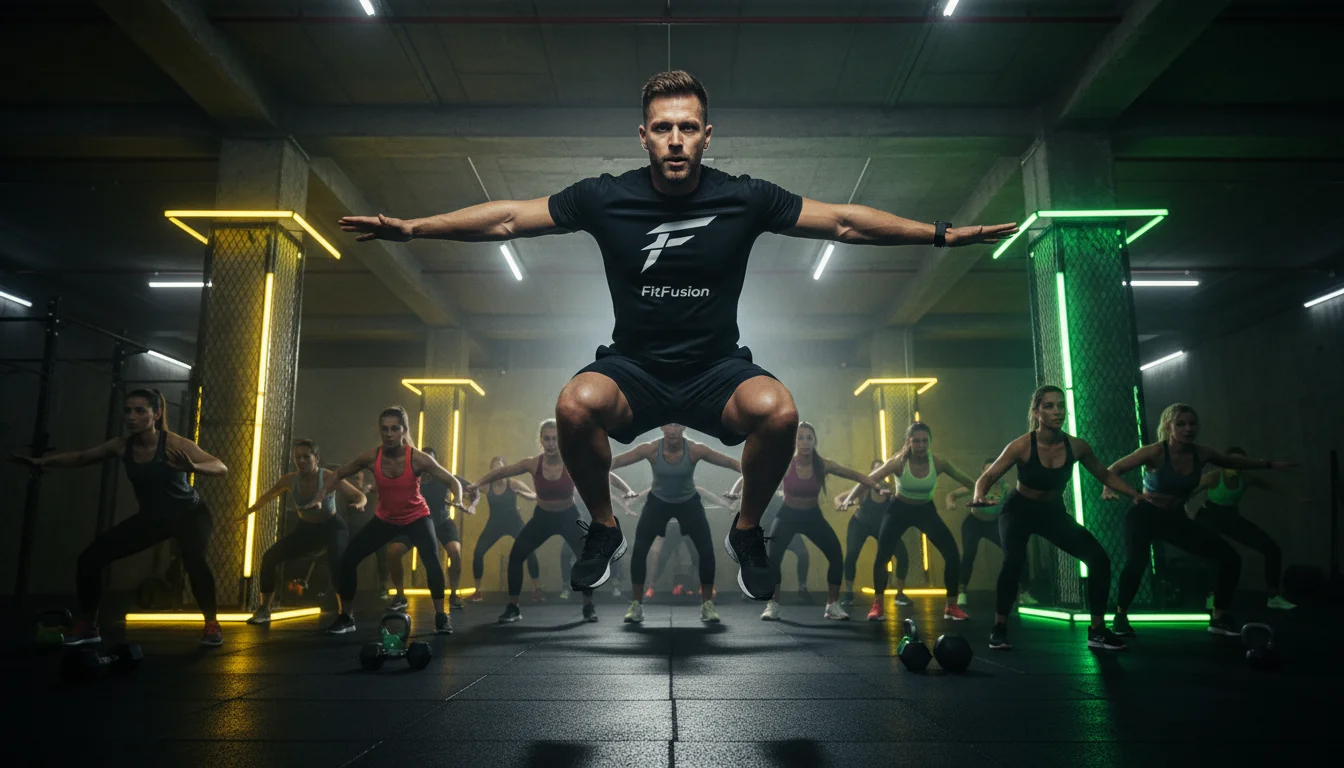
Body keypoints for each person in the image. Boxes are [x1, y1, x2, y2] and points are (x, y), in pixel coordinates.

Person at [338, 70, 1016, 602]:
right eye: (662, 128)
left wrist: (942, 234)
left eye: (688, 128)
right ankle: (602, 526)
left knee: (780, 412)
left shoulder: (745, 197)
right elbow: (511, 218)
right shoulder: (606, 197)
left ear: (707, 135)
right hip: (633, 371)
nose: (675, 140)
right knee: (572, 404)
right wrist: (414, 228)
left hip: (717, 373)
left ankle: (749, 533)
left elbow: (842, 221)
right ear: (643, 135)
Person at [8, 389, 228, 647]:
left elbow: (220, 466)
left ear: (156, 414)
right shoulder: (122, 446)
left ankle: (212, 624)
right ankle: (89, 626)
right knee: (90, 559)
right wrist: (42, 462)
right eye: (128, 410)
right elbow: (81, 457)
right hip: (152, 519)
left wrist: (194, 467)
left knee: (194, 560)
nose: (131, 416)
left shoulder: (174, 443)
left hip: (189, 514)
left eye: (139, 410)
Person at [1103, 404, 1295, 638]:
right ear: (1168, 426)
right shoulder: (1154, 452)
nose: (1188, 429)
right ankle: (1120, 616)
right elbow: (1115, 469)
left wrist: (1269, 464)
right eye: (1181, 424)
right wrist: (1117, 488)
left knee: (1230, 558)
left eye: (1192, 424)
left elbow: (1231, 461)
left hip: (1174, 518)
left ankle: (1219, 618)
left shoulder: (1202, 453)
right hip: (1145, 515)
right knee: (1136, 563)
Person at [973, 385, 1142, 652]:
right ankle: (1000, 628)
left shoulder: (1077, 446)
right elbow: (988, 477)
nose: (1057, 411)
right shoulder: (1021, 445)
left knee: (1098, 559)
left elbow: (1106, 475)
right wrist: (979, 494)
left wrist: (1135, 493)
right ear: (1037, 411)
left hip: (1052, 513)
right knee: (1013, 562)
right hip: (1018, 510)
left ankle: (1097, 630)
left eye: (1061, 406)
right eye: (1049, 406)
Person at [464, 419, 636, 623]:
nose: (551, 443)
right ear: (541, 441)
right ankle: (513, 607)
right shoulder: (532, 463)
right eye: (547, 439)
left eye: (555, 439)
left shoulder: (573, 461)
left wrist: (627, 490)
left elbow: (604, 473)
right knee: (517, 555)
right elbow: (503, 471)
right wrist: (477, 483)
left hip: (568, 516)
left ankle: (588, 605)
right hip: (543, 517)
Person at [315, 406, 465, 636]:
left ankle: (441, 617)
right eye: (384, 429)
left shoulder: (418, 458)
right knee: (349, 558)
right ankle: (346, 616)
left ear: (404, 431)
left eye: (395, 428)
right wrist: (320, 495)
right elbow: (338, 473)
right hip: (385, 519)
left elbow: (452, 480)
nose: (389, 433)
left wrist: (459, 499)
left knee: (433, 562)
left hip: (417, 517)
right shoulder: (370, 456)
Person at [738, 421, 882, 621]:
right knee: (773, 559)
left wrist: (874, 484)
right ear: (794, 441)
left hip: (812, 516)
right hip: (787, 515)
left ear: (815, 441)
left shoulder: (823, 465)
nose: (804, 442)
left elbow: (853, 474)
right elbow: (754, 471)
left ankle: (832, 605)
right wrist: (737, 491)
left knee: (835, 554)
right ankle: (773, 605)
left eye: (809, 438)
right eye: (800, 437)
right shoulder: (785, 462)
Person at [614, 424, 742, 624]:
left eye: (676, 425)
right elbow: (615, 462)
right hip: (657, 503)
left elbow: (731, 462)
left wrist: (752, 474)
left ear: (683, 427)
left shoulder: (696, 449)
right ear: (661, 427)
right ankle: (636, 604)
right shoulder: (649, 449)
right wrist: (589, 465)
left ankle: (707, 604)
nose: (672, 430)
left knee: (706, 551)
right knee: (640, 549)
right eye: (668, 425)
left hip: (688, 504)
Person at [849, 423, 978, 622]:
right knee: (883, 556)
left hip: (925, 510)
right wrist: (850, 498)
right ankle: (878, 606)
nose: (920, 445)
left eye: (925, 441)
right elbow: (869, 479)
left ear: (930, 442)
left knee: (952, 554)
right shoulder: (898, 462)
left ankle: (951, 606)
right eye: (916, 441)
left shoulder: (939, 463)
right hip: (899, 509)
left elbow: (970, 482)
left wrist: (976, 496)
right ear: (908, 442)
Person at [247, 439, 366, 624]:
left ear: (316, 458)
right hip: (307, 529)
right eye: (297, 457)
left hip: (332, 527)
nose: (301, 461)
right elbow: (269, 495)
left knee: (337, 564)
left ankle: (346, 615)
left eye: (306, 457)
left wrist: (359, 504)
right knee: (269, 557)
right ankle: (264, 610)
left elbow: (360, 496)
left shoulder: (328, 477)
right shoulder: (289, 479)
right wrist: (250, 510)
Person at [1191, 447, 1311, 610]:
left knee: (1272, 549)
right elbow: (1188, 492)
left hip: (1231, 517)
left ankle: (1273, 596)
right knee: (1216, 555)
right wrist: (1183, 511)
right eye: (1233, 463)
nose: (1237, 466)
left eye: (1241, 463)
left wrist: (1297, 497)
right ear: (1225, 463)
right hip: (1208, 516)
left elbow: (1271, 486)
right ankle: (1212, 596)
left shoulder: (1246, 478)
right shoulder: (1213, 477)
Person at [385, 447, 470, 611]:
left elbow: (462, 484)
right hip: (416, 522)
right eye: (424, 460)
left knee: (455, 551)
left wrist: (474, 491)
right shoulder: (411, 478)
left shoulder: (443, 476)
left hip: (441, 522)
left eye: (431, 460)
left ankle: (453, 594)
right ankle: (400, 595)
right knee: (394, 551)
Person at [947, 459, 1035, 608]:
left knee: (1018, 552)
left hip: (994, 524)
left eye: (994, 470)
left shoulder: (1006, 488)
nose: (991, 474)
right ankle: (961, 592)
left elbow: (1018, 504)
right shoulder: (976, 485)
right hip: (974, 523)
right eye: (987, 471)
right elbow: (952, 495)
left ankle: (1023, 593)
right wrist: (950, 503)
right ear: (983, 473)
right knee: (968, 555)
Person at [469, 455, 544, 603]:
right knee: (478, 552)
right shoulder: (486, 486)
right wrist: (470, 500)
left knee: (530, 551)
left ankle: (537, 589)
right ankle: (477, 591)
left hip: (514, 523)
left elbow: (535, 495)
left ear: (506, 469)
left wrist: (522, 493)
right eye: (493, 469)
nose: (497, 471)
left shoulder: (513, 483)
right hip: (494, 525)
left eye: (499, 468)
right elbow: (472, 492)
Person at [835, 459, 900, 606]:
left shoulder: (890, 489)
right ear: (872, 473)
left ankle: (900, 595)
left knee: (901, 554)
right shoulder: (863, 487)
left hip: (880, 526)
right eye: (876, 471)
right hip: (859, 524)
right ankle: (848, 593)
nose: (880, 474)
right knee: (851, 555)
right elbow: (838, 498)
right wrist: (842, 505)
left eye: (882, 471)